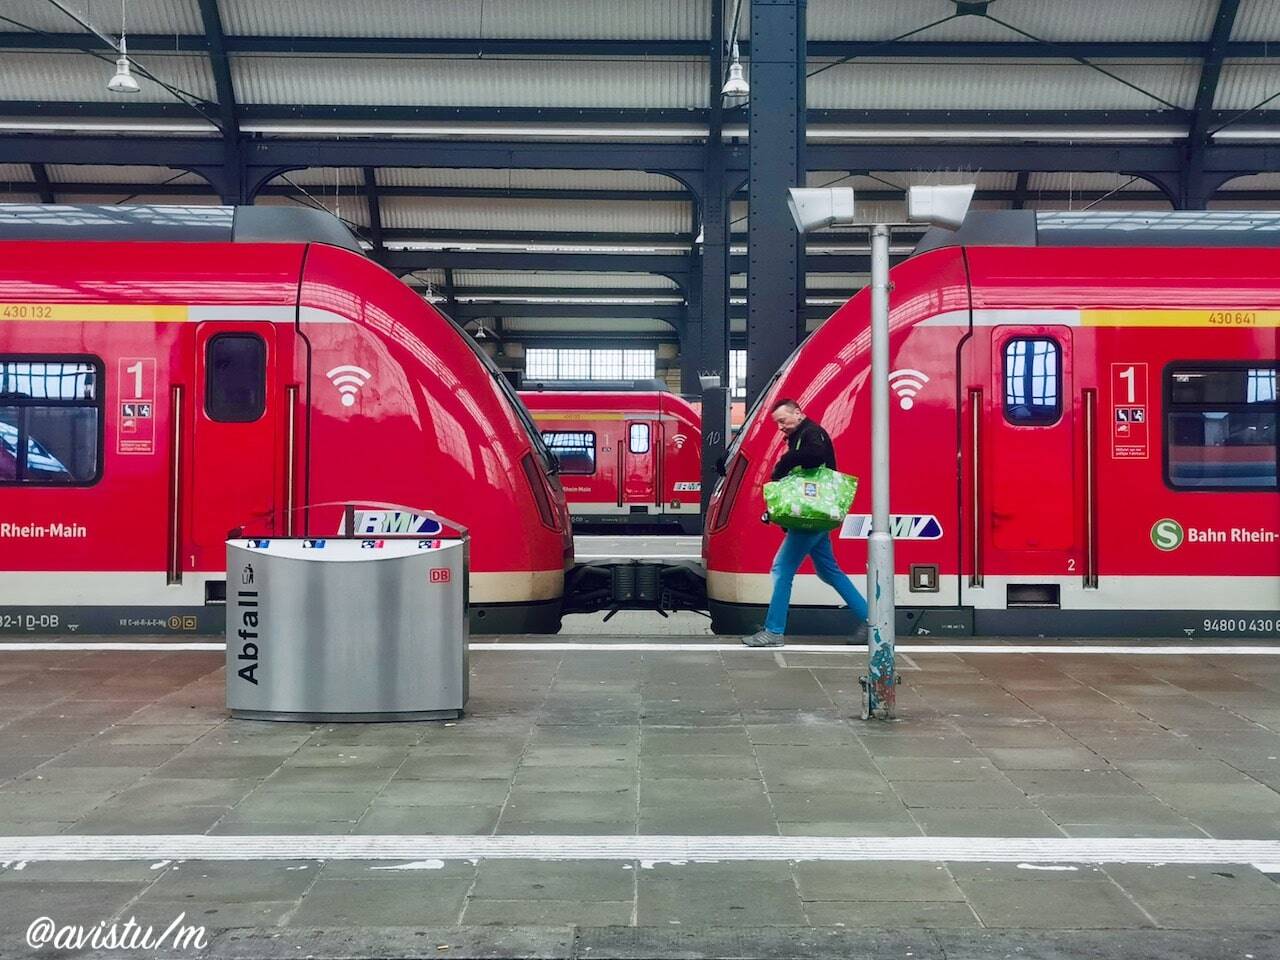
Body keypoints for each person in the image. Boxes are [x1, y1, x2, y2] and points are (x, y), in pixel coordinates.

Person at [743, 398, 868, 648]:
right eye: (777, 422)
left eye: (783, 420)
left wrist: (784, 463)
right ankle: (874, 621)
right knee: (828, 571)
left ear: (798, 414)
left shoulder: (812, 433)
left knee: (781, 569)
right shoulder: (803, 435)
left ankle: (774, 631)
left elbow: (815, 456)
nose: (780, 426)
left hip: (809, 519)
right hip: (817, 517)